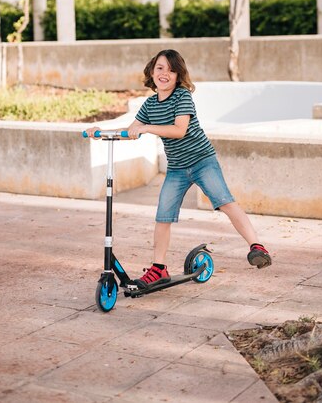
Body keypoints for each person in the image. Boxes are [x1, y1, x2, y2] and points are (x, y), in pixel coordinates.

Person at [88, 49, 271, 289]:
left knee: (225, 202)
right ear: (152, 72)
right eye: (160, 68)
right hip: (176, 168)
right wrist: (101, 131)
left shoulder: (182, 97)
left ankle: (256, 246)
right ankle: (159, 268)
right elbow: (132, 130)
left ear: (178, 76)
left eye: (171, 70)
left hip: (202, 161)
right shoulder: (150, 104)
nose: (165, 74)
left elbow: (179, 130)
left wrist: (148, 128)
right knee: (163, 216)